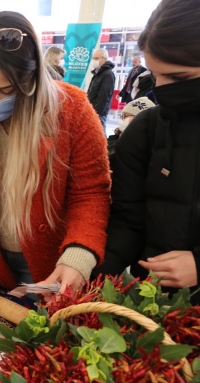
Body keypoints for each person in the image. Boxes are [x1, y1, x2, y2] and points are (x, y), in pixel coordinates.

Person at [0, 11, 111, 329]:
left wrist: (79, 257)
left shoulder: (74, 110)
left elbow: (91, 194)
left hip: (54, 265)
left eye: (8, 90)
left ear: (32, 78)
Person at [99, 0, 200, 304]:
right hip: (153, 304)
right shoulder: (146, 129)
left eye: (179, 78)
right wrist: (94, 285)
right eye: (156, 76)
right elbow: (127, 221)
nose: (162, 89)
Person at [106, 96, 154, 168]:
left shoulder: (144, 152)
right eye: (123, 116)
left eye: (129, 116)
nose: (123, 119)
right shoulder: (111, 141)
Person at [86, 48, 116, 130]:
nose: (94, 60)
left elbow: (104, 97)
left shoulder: (108, 74)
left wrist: (96, 113)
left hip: (99, 113)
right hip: (92, 110)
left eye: (96, 58)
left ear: (104, 59)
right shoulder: (98, 73)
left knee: (99, 134)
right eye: (93, 58)